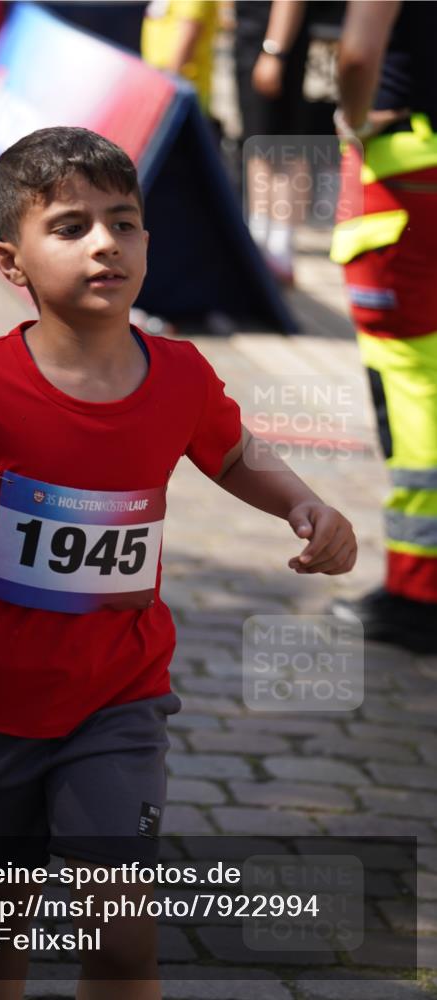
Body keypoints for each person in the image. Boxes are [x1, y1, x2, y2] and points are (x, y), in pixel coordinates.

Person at [0, 126, 357, 999]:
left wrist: (304, 503)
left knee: (120, 933)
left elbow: (233, 452)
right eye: (70, 227)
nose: (105, 242)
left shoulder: (179, 374)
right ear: (11, 262)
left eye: (123, 221)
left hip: (117, 698)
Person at [329, 1, 437, 653]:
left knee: (411, 384)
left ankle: (419, 591)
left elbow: (356, 55)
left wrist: (354, 120)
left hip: (405, 169)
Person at [234, 0, 311, 285]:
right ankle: (261, 242)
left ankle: (278, 248)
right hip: (257, 43)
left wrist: (274, 52)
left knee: (282, 150)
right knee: (258, 146)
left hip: (273, 47)